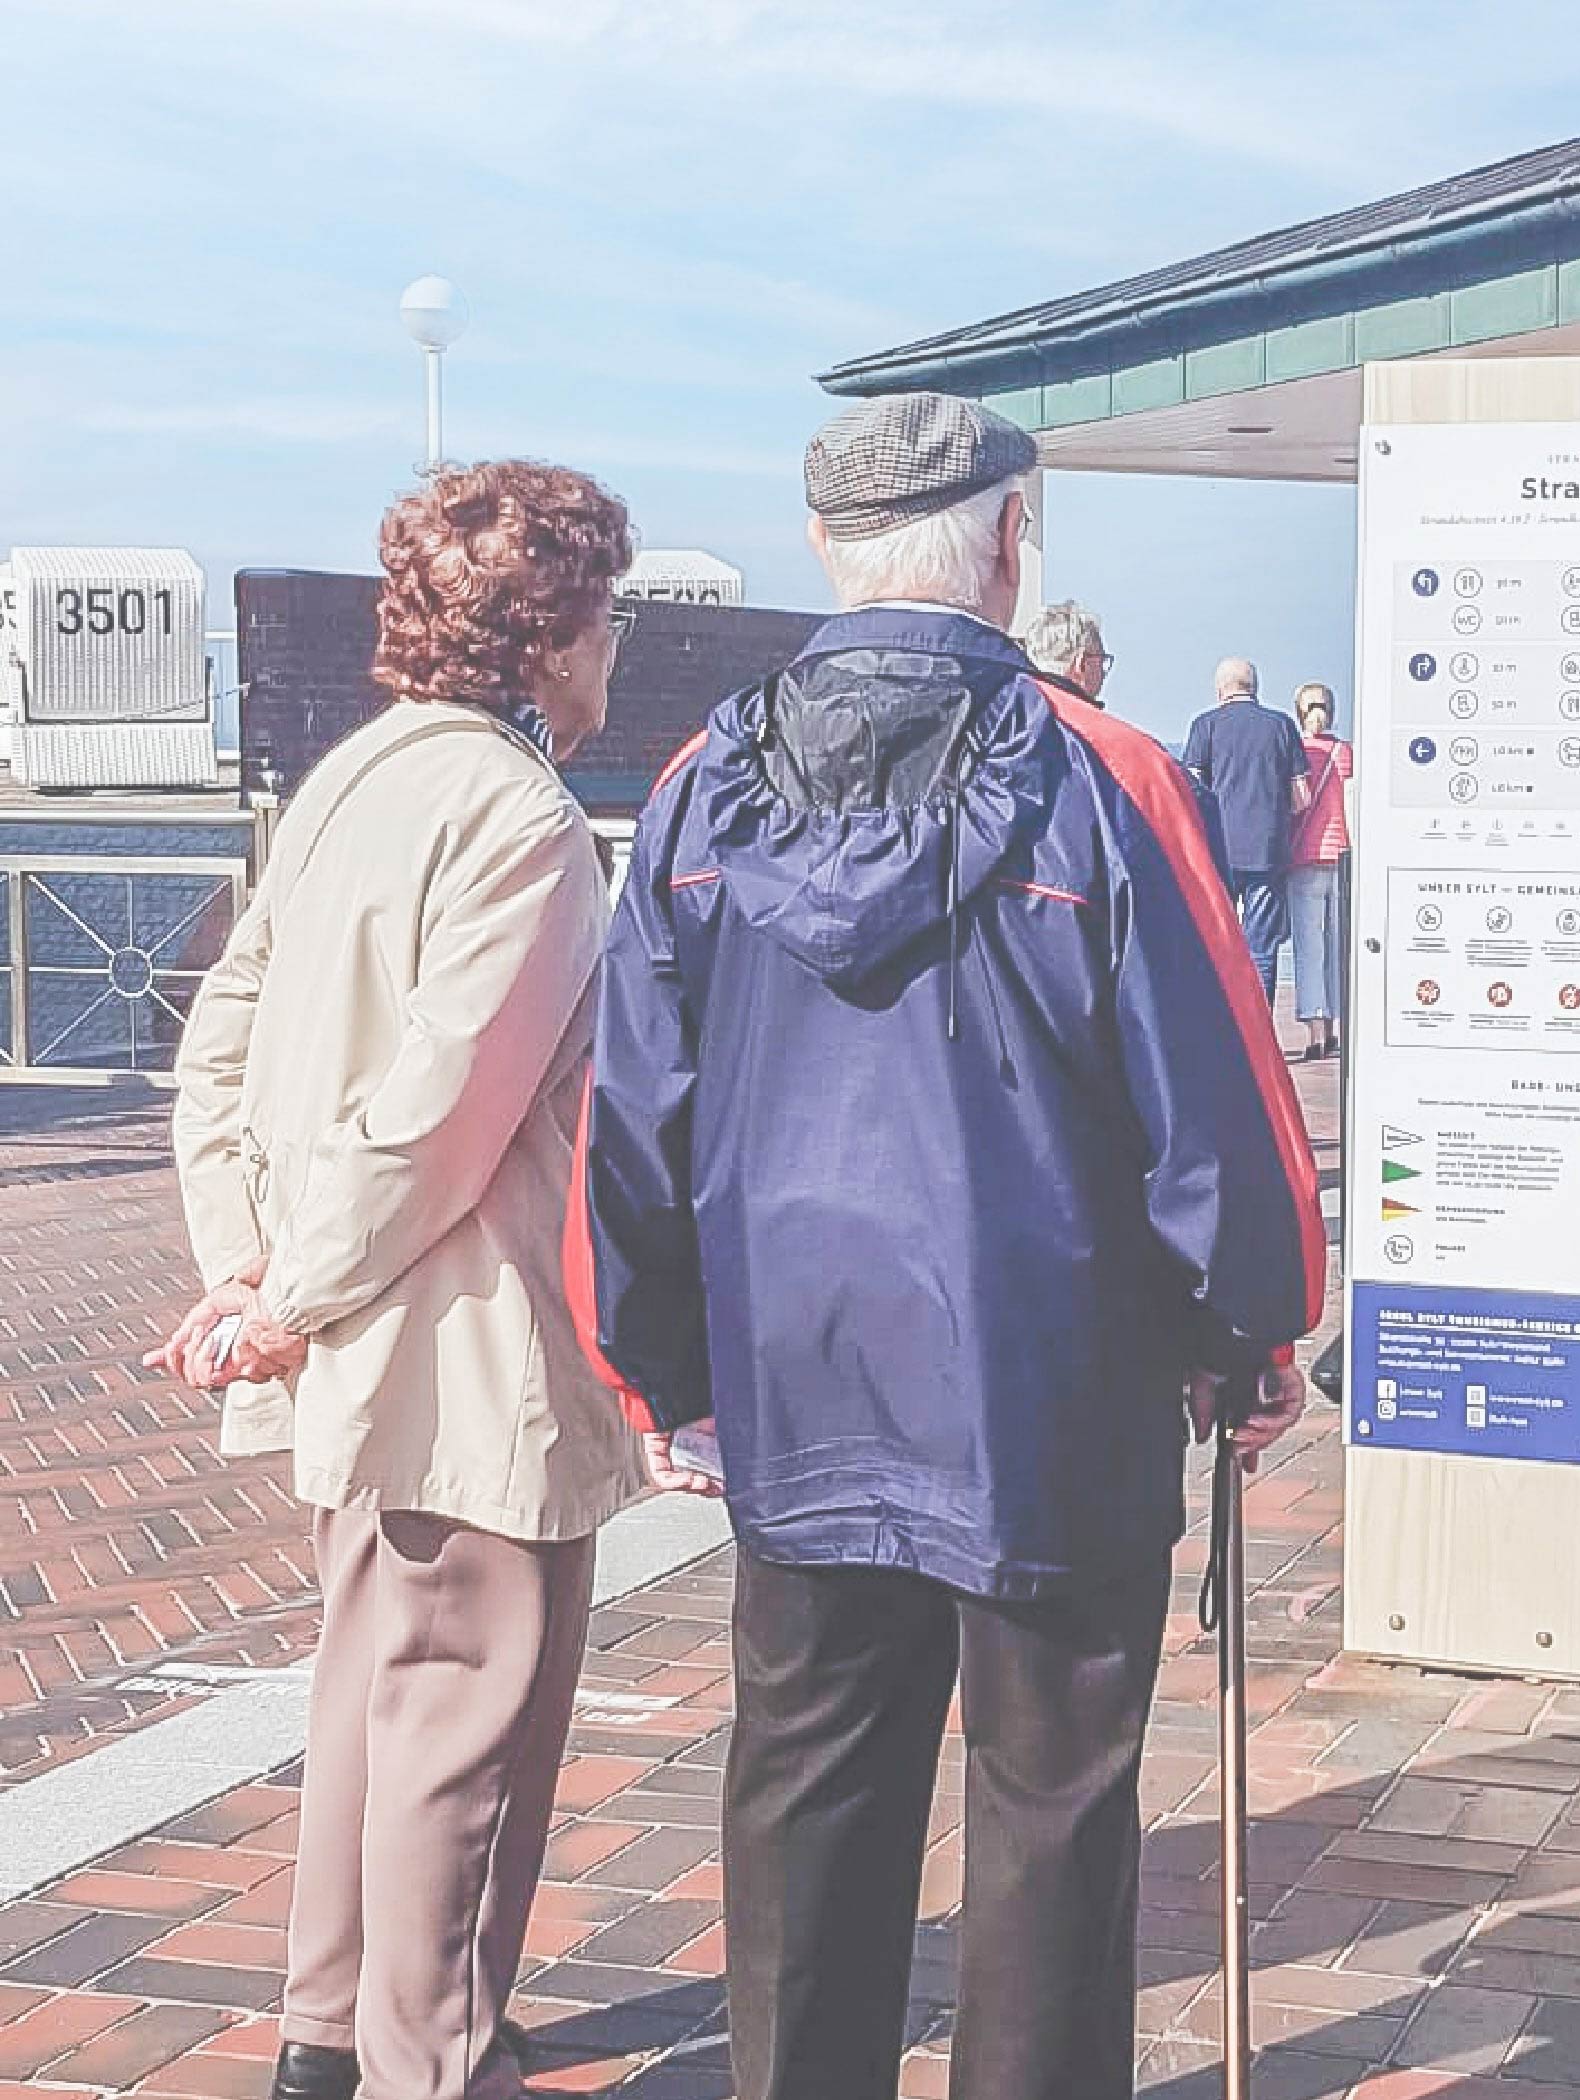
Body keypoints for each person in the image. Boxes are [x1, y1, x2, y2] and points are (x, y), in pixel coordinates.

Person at [571, 391, 1322, 2100]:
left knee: (804, 1789)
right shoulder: (1105, 775)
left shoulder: (696, 787)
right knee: (1052, 1811)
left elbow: (632, 1113)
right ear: (1010, 544)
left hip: (798, 1375)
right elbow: (1214, 1101)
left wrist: (658, 1368)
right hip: (1053, 1382)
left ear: (826, 545)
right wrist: (1249, 1331)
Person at [156, 461, 646, 2100]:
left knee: (372, 1693)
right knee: (464, 1738)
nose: (616, 646)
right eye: (607, 614)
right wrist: (281, 1295)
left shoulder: (349, 780)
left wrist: (249, 1267)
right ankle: (431, 2066)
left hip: (349, 1346)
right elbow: (441, 1116)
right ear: (549, 634)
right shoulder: (528, 825)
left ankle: (327, 2033)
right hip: (468, 1353)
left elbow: (220, 1042)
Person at [1024, 597, 1229, 874]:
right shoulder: (1120, 747)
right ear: (1082, 664)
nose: (1104, 672)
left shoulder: (999, 730)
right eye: (1102, 661)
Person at [1182, 657, 1309, 1006]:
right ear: (1255, 687)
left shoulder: (1205, 726)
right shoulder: (1281, 726)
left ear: (1220, 689)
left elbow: (1191, 791)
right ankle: (1260, 1022)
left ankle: (1218, 1018)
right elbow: (1302, 797)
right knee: (1262, 949)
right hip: (1267, 849)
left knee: (1215, 940)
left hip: (1218, 850)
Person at [1287, 681, 1354, 1060]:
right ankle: (1338, 1028)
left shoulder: (1298, 753)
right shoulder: (1345, 753)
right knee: (1337, 949)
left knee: (1309, 948)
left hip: (1305, 857)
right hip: (1342, 856)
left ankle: (1315, 1032)